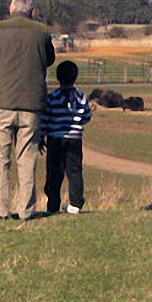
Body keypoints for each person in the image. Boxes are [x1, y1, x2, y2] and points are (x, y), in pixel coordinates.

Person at [0, 0, 55, 221]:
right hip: (32, 105)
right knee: (27, 159)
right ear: (32, 11)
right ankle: (27, 210)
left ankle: (0, 210)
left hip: (0, 102)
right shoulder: (42, 32)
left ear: (10, 8)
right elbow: (49, 59)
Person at [41, 61, 91, 215]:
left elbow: (45, 118)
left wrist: (42, 134)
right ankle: (75, 203)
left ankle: (53, 205)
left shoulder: (52, 98)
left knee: (54, 171)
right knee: (75, 170)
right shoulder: (80, 97)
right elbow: (87, 116)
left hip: (55, 138)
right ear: (75, 77)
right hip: (75, 139)